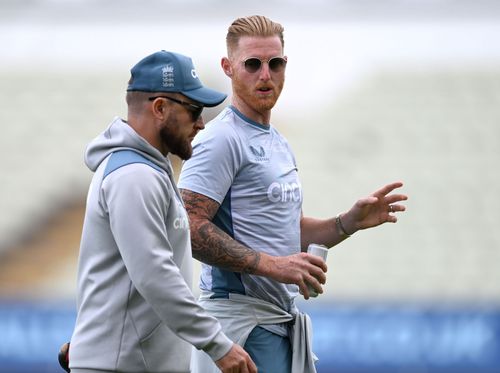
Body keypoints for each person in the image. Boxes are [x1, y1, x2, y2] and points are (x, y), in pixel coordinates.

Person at [177, 16, 408, 373]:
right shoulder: (221, 138)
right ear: (228, 67)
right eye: (252, 64)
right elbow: (186, 227)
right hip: (241, 327)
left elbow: (286, 231)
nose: (265, 75)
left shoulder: (277, 141)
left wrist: (347, 223)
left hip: (277, 323)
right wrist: (274, 265)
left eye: (275, 63)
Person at [66, 50, 257, 373]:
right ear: (159, 108)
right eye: (194, 110)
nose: (200, 123)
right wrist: (218, 344)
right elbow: (154, 275)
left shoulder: (143, 170)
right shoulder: (134, 176)